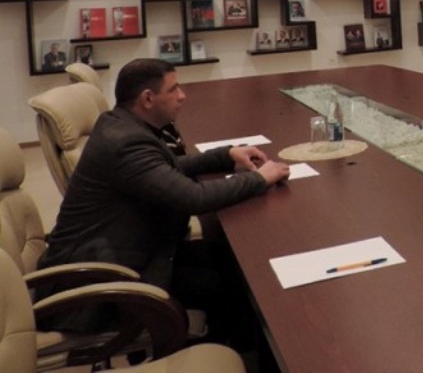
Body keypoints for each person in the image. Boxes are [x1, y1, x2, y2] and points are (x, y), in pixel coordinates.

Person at [37, 58, 291, 339]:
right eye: (173, 89)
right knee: (241, 284)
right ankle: (219, 349)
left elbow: (164, 170)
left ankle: (232, 345)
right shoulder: (125, 143)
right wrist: (260, 178)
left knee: (236, 263)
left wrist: (226, 155)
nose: (182, 96)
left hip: (130, 251)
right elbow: (194, 198)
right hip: (106, 282)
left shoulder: (120, 124)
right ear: (148, 98)